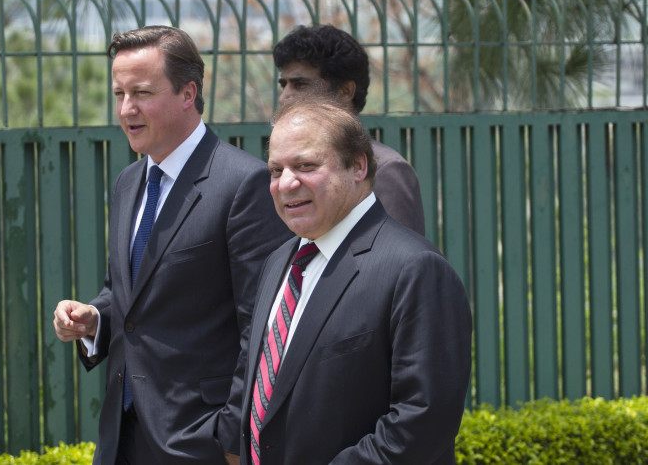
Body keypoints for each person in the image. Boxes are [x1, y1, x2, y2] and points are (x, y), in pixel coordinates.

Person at [53, 25, 291, 465]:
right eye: (119, 94)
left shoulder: (244, 184)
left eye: (141, 92)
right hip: (120, 439)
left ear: (188, 93)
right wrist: (94, 319)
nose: (127, 109)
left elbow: (261, 329)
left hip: (200, 444)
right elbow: (129, 296)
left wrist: (230, 437)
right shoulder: (128, 183)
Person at [240, 95, 471, 464]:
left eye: (305, 165)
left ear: (358, 166)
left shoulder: (415, 269)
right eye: (275, 170)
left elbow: (423, 420)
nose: (285, 184)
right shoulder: (278, 262)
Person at [273, 24, 426, 235]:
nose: (285, 97)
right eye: (284, 85)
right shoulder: (283, 170)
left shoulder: (386, 170)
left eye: (300, 85)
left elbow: (398, 260)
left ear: (345, 91)